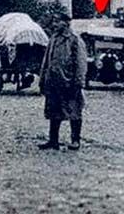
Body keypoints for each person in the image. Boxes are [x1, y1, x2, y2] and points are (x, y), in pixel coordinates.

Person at [38, 12, 88, 151]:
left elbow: (80, 63)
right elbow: (46, 61)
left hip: (69, 83)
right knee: (53, 111)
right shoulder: (53, 39)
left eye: (57, 21)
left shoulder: (74, 40)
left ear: (66, 23)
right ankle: (53, 141)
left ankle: (75, 140)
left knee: (74, 111)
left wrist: (78, 83)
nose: (54, 24)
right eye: (54, 21)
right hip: (53, 82)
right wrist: (42, 79)